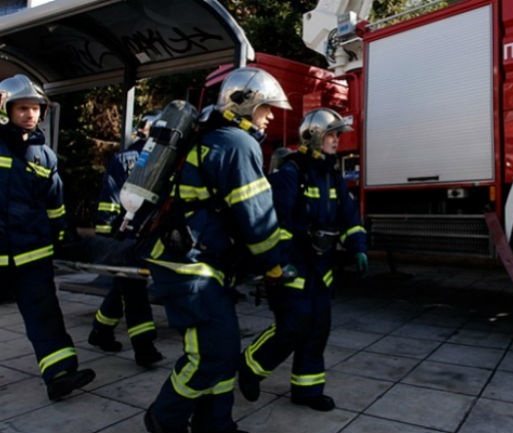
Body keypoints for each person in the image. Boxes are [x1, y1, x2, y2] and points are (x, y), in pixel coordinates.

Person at [142, 66, 291, 433]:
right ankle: (165, 418)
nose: (271, 116)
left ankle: (215, 423)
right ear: (245, 104)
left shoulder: (216, 137)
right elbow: (257, 218)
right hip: (190, 267)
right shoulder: (237, 144)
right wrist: (275, 267)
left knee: (221, 354)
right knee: (211, 354)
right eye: (266, 108)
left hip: (201, 262)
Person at [238, 107, 368, 411]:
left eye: (337, 135)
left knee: (317, 328)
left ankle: (306, 390)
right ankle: (250, 366)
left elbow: (350, 218)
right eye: (332, 135)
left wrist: (358, 246)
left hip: (321, 267)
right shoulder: (290, 173)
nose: (337, 141)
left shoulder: (333, 177)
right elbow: (277, 223)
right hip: (292, 265)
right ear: (314, 136)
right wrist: (279, 262)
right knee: (292, 325)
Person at [0, 74, 96, 400]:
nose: (30, 114)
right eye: (23, 108)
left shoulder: (46, 157)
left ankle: (60, 374)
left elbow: (55, 204)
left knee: (45, 314)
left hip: (33, 253)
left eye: (35, 108)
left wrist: (64, 236)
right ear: (6, 109)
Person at [87, 111, 163, 367]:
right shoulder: (159, 160)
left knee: (124, 286)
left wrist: (106, 235)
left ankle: (101, 331)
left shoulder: (127, 158)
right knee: (134, 289)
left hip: (127, 235)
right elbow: (111, 200)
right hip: (135, 236)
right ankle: (144, 347)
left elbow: (108, 200)